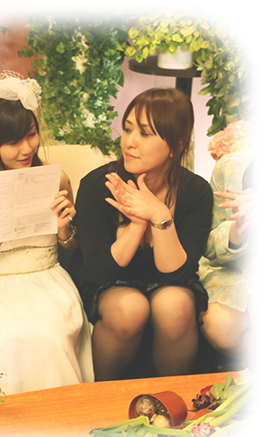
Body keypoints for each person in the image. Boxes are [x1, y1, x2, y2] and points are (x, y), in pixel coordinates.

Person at [0, 72, 94, 395]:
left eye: (31, 135)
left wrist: (64, 228)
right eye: (13, 142)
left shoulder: (56, 179)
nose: (27, 148)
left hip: (48, 282)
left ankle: (62, 415)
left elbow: (72, 246)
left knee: (51, 336)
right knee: (6, 338)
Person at [69, 88, 213, 381]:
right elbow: (100, 273)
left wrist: (159, 215)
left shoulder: (196, 191)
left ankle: (169, 399)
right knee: (130, 308)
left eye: (145, 133)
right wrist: (136, 224)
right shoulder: (97, 185)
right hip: (112, 283)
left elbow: (177, 274)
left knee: (176, 307)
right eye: (127, 129)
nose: (129, 142)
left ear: (176, 145)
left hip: (169, 281)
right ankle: (103, 395)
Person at [199, 144, 264, 363]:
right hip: (231, 271)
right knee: (219, 327)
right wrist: (237, 231)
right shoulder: (230, 167)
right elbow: (207, 246)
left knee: (261, 305)